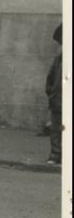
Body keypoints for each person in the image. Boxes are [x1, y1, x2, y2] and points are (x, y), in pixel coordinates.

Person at [45, 23, 62, 165]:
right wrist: (50, 91)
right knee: (56, 128)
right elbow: (51, 76)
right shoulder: (59, 58)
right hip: (58, 97)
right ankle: (56, 155)